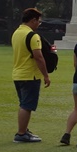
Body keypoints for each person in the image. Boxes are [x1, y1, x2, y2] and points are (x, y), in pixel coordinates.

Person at [11, 7, 51, 142]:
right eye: (38, 21)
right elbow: (38, 57)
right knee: (27, 105)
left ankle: (24, 129)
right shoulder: (32, 36)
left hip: (18, 73)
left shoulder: (16, 33)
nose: (39, 24)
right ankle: (21, 134)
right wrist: (46, 75)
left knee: (23, 103)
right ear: (33, 20)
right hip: (30, 74)